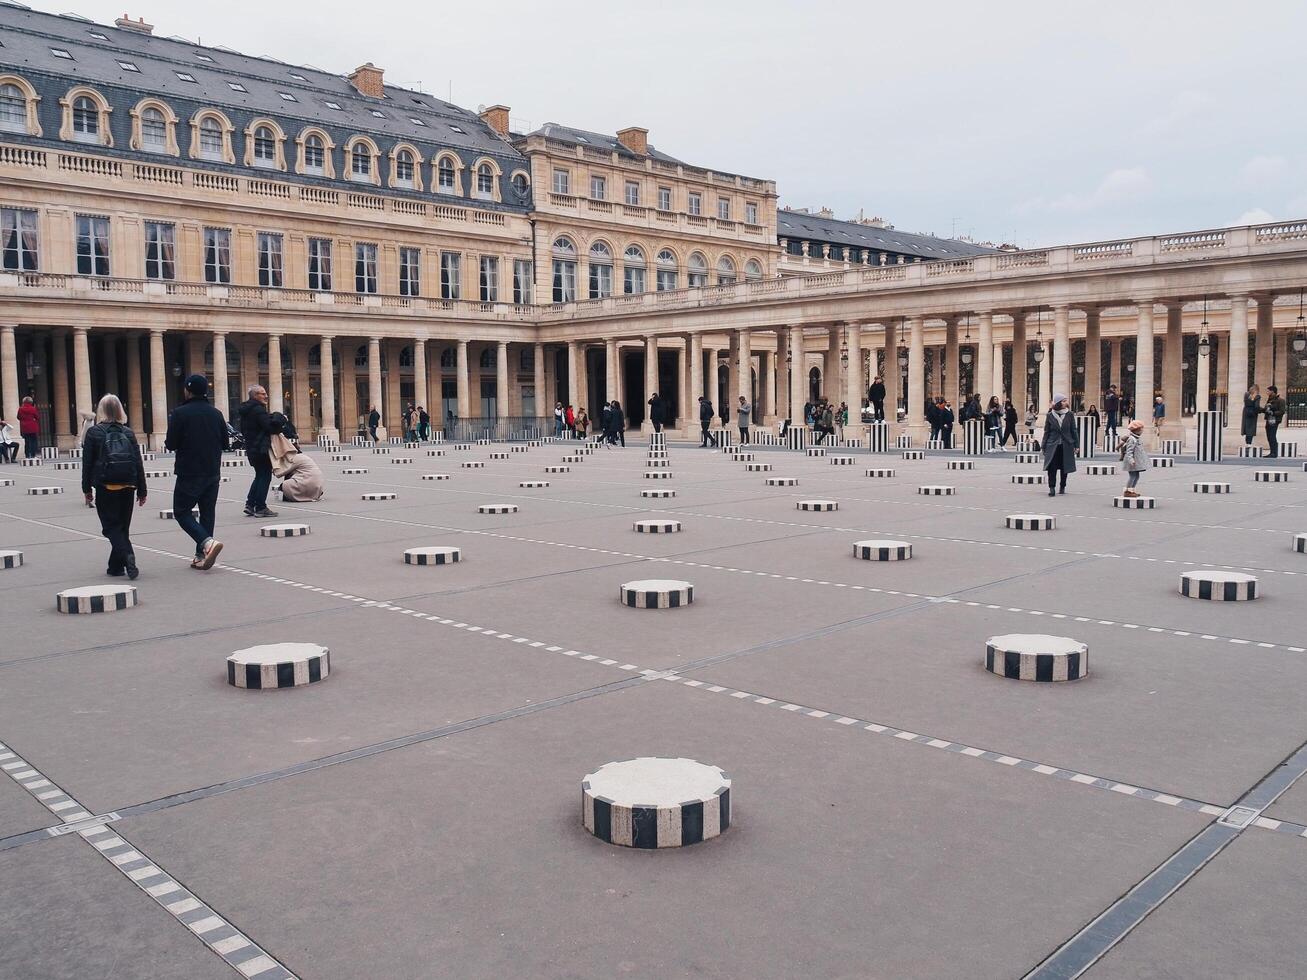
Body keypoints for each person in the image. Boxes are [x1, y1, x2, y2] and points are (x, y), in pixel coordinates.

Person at [81, 394, 147, 580]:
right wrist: (142, 489)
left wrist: (86, 489)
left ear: (101, 410)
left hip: (106, 486)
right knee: (122, 528)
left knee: (111, 528)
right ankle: (115, 567)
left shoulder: (94, 433)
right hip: (128, 485)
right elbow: (137, 462)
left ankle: (127, 556)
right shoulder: (128, 432)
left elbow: (87, 464)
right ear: (120, 410)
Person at [165, 374, 227, 570]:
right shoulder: (216, 413)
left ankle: (207, 543)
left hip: (189, 471)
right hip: (212, 470)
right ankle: (201, 556)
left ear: (188, 390)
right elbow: (226, 443)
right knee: (207, 512)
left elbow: (171, 443)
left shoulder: (180, 413)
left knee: (182, 512)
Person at [238, 384, 282, 518]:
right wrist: (279, 419)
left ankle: (250, 504)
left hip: (252, 447)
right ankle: (261, 507)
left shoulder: (246, 410)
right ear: (255, 396)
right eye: (263, 393)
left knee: (259, 475)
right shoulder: (258, 410)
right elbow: (270, 428)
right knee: (264, 476)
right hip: (261, 448)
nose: (266, 396)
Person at [270, 415, 324, 501]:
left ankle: (300, 495)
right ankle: (310, 493)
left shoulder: (296, 458)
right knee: (292, 477)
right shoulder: (302, 457)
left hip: (309, 483)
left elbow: (280, 473)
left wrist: (273, 466)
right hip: (317, 485)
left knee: (285, 484)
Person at [1042, 393, 1079, 496]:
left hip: (1066, 444)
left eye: (1065, 400)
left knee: (1064, 467)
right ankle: (1052, 488)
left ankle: (1062, 485)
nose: (1066, 402)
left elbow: (1073, 430)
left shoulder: (1070, 414)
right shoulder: (1050, 415)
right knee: (1052, 467)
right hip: (1052, 445)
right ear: (1058, 403)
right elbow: (1046, 431)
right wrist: (1043, 445)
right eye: (1063, 401)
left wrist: (1077, 445)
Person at [1120, 419, 1149, 497]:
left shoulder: (1136, 438)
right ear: (1136, 430)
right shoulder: (1132, 439)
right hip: (1132, 462)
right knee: (1133, 476)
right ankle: (1127, 491)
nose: (1142, 431)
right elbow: (1129, 451)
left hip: (1136, 461)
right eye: (1141, 429)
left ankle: (1131, 490)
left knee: (1136, 476)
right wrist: (1131, 460)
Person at [1265, 385, 1286, 458]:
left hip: (1275, 420)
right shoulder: (1269, 399)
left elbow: (1282, 411)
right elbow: (1266, 409)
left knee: (1272, 436)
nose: (1267, 392)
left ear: (1272, 391)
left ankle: (1274, 453)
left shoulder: (1280, 400)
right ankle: (1272, 452)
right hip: (1269, 420)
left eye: (1268, 391)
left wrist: (1273, 413)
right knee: (1269, 437)